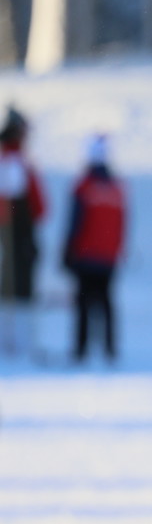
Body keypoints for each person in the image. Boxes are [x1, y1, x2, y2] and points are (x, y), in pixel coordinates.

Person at [62, 133, 127, 363]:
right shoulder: (117, 188)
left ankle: (81, 350)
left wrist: (67, 250)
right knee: (107, 303)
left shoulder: (84, 186)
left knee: (83, 305)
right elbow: (123, 223)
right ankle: (110, 349)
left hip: (86, 254)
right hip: (109, 256)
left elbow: (75, 222)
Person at [0, 104, 47, 360]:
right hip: (18, 237)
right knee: (19, 289)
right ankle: (18, 346)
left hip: (13, 237)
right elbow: (39, 207)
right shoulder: (15, 162)